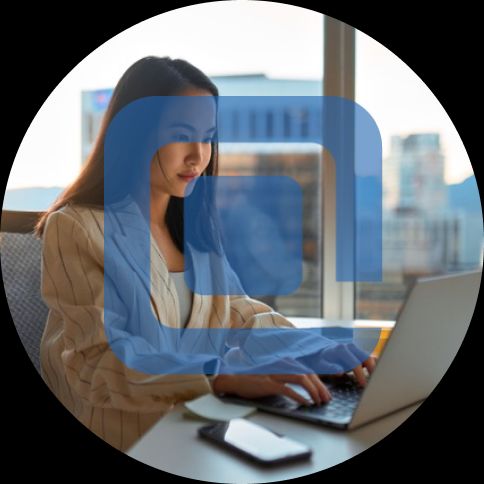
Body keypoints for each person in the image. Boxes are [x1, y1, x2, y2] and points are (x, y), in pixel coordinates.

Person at [35, 56, 376, 453]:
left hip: (200, 429)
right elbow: (97, 364)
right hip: (130, 437)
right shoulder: (77, 227)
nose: (199, 155)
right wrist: (218, 375)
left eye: (208, 136)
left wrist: (313, 348)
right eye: (181, 135)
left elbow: (236, 313)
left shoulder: (193, 225)